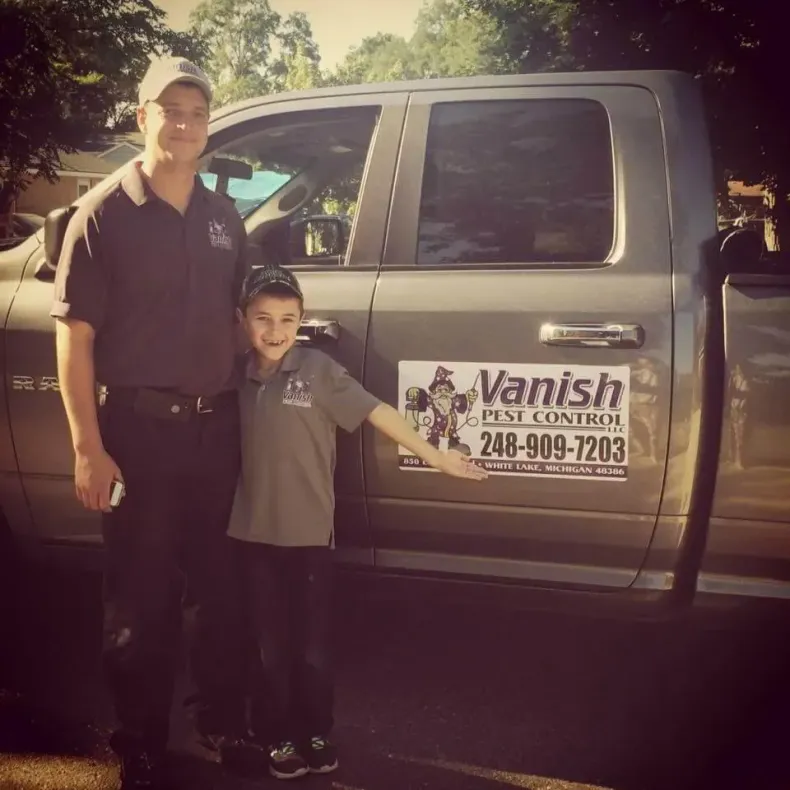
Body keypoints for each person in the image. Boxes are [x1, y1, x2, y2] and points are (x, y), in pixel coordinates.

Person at [51, 56, 250, 789]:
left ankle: (222, 723)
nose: (186, 123)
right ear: (142, 116)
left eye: (198, 112)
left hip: (215, 431)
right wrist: (87, 450)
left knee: (220, 590)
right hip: (136, 435)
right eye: (171, 109)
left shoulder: (224, 216)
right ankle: (138, 737)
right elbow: (74, 336)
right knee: (139, 596)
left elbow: (236, 321)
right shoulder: (102, 212)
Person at [229, 265, 488, 780]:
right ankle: (276, 734)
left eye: (287, 318)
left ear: (301, 321)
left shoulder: (317, 370)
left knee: (313, 646)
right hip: (251, 536)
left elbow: (377, 412)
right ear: (241, 321)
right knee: (266, 645)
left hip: (310, 539)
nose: (275, 330)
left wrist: (436, 455)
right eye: (263, 318)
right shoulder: (230, 376)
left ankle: (317, 730)